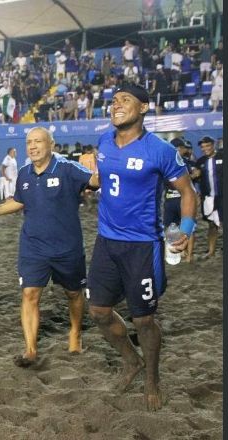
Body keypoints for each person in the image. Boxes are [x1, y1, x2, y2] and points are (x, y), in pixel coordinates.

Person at [88, 84, 196, 411]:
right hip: (106, 241)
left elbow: (189, 192)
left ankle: (152, 378)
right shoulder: (104, 141)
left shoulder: (160, 150)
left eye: (125, 100)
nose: (116, 104)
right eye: (114, 100)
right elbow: (104, 179)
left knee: (144, 320)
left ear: (145, 107)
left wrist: (187, 229)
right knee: (100, 313)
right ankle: (130, 361)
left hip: (142, 246)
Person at [0, 127, 99, 367]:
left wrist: (101, 165)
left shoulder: (68, 168)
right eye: (29, 142)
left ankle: (75, 334)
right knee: (29, 294)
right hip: (33, 246)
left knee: (73, 294)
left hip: (67, 247)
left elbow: (93, 181)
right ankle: (30, 350)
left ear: (52, 144)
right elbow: (19, 201)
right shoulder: (24, 173)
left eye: (38, 141)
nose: (33, 146)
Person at [162, 138, 199, 262]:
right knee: (172, 227)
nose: (185, 149)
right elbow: (195, 174)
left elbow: (196, 173)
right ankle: (178, 253)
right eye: (182, 147)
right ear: (177, 148)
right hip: (173, 199)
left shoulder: (185, 162)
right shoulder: (174, 162)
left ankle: (187, 254)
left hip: (178, 198)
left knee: (183, 226)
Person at [192, 136, 222, 258]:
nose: (205, 149)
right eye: (203, 147)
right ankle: (211, 251)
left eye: (207, 146)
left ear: (213, 145)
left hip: (223, 196)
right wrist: (194, 175)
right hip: (208, 198)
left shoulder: (222, 156)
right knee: (211, 224)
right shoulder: (200, 161)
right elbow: (196, 178)